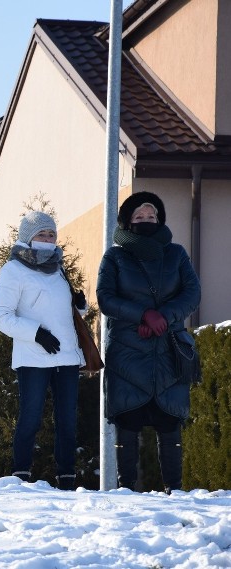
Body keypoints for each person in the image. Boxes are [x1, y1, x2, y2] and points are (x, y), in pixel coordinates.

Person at [97, 192, 200, 493]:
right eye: (139, 217)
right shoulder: (114, 257)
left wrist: (163, 317)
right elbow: (106, 298)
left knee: (170, 423)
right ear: (128, 222)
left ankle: (175, 490)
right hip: (128, 352)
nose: (146, 221)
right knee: (127, 424)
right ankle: (125, 490)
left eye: (151, 216)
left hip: (170, 351)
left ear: (160, 220)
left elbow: (192, 293)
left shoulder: (177, 254)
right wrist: (142, 315)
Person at [0, 211, 86, 490]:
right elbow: (1, 316)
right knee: (30, 418)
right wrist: (36, 334)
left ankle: (66, 479)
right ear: (26, 238)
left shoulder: (58, 268)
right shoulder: (13, 270)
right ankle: (20, 477)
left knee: (67, 421)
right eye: (41, 234)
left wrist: (80, 305)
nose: (48, 238)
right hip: (32, 356)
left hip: (66, 355)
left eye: (51, 234)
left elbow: (63, 313)